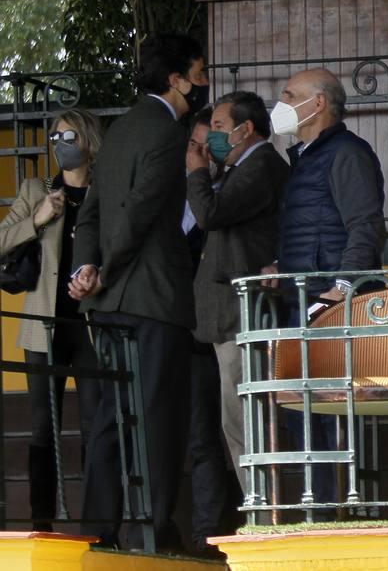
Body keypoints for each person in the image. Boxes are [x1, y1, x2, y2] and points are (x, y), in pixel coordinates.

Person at [69, 33, 207, 551]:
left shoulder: (120, 130)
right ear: (175, 79)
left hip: (107, 308)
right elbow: (143, 212)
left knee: (108, 418)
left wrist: (88, 268)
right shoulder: (167, 134)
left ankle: (99, 534)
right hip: (154, 299)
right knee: (157, 418)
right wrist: (103, 268)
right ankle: (152, 532)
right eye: (198, 72)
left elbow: (93, 214)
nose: (204, 81)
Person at [271, 68, 385, 508]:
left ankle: (336, 509)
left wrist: (342, 287)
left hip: (330, 304)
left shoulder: (346, 153)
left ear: (317, 103)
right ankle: (316, 510)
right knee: (303, 415)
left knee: (332, 415)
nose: (280, 104)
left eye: (289, 94)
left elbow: (365, 226)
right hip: (304, 298)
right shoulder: (306, 157)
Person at [0, 109, 102, 531]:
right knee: (44, 429)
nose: (60, 144)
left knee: (99, 427)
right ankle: (41, 523)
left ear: (89, 141)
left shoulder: (106, 190)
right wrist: (37, 219)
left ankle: (100, 524)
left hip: (94, 326)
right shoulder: (35, 189)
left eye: (69, 135)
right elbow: (2, 239)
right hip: (42, 325)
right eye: (55, 137)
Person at [186, 92, 289, 499]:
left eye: (217, 128)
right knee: (236, 421)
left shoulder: (260, 165)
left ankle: (263, 511)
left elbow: (211, 213)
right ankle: (259, 507)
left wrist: (196, 172)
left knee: (246, 421)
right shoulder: (241, 168)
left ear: (244, 130)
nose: (209, 140)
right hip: (229, 314)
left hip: (243, 314)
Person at [178, 111, 237, 556]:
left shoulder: (228, 192)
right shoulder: (167, 195)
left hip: (219, 323)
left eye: (210, 142)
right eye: (195, 144)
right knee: (198, 433)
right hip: (179, 326)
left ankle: (218, 529)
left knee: (225, 429)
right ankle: (205, 530)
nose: (202, 152)